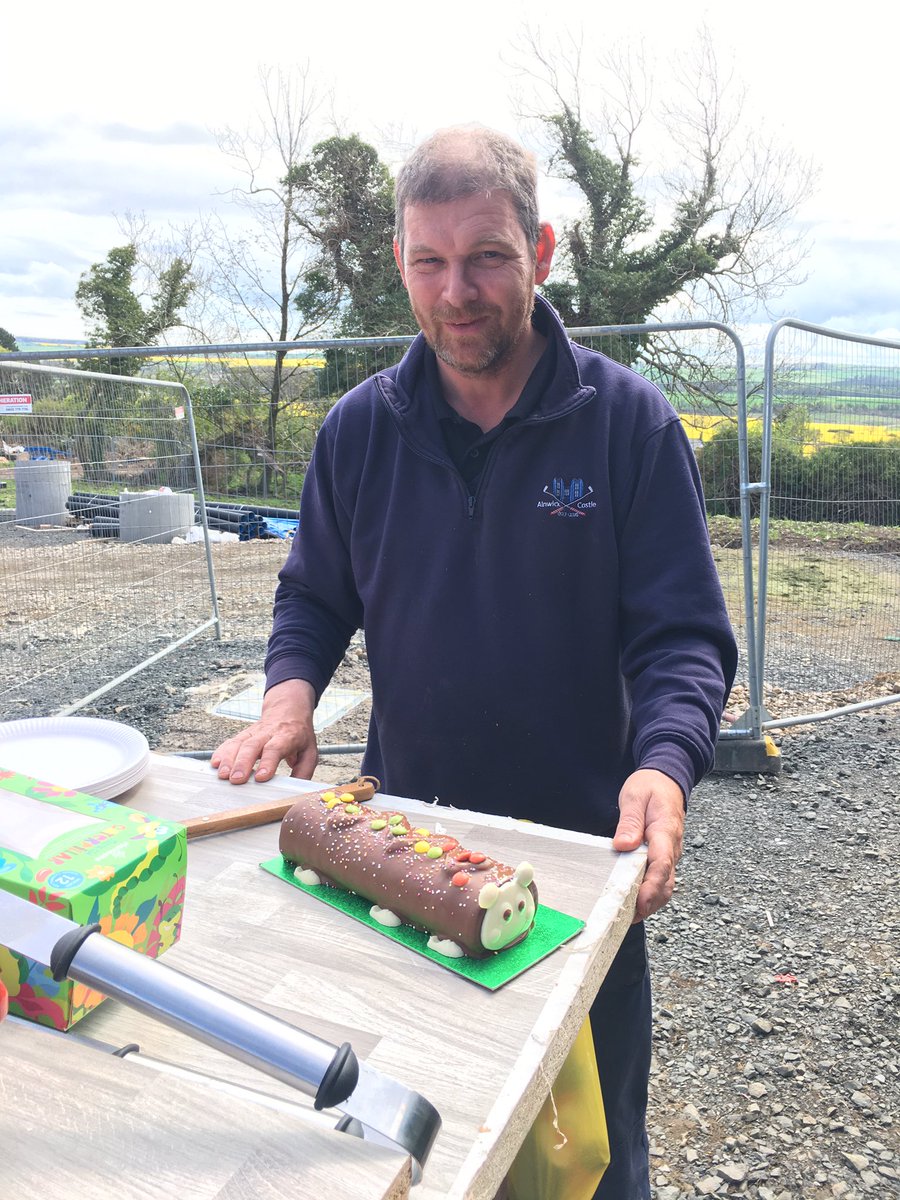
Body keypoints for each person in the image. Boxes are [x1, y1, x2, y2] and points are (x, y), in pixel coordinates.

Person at [211, 125, 738, 1198]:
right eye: (430, 262)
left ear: (540, 250)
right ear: (401, 264)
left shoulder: (626, 425)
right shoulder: (357, 433)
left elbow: (682, 633)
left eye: (488, 255)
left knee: (592, 1157)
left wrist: (665, 763)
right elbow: (314, 594)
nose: (458, 290)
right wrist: (289, 697)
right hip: (407, 860)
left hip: (582, 875)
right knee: (427, 1139)